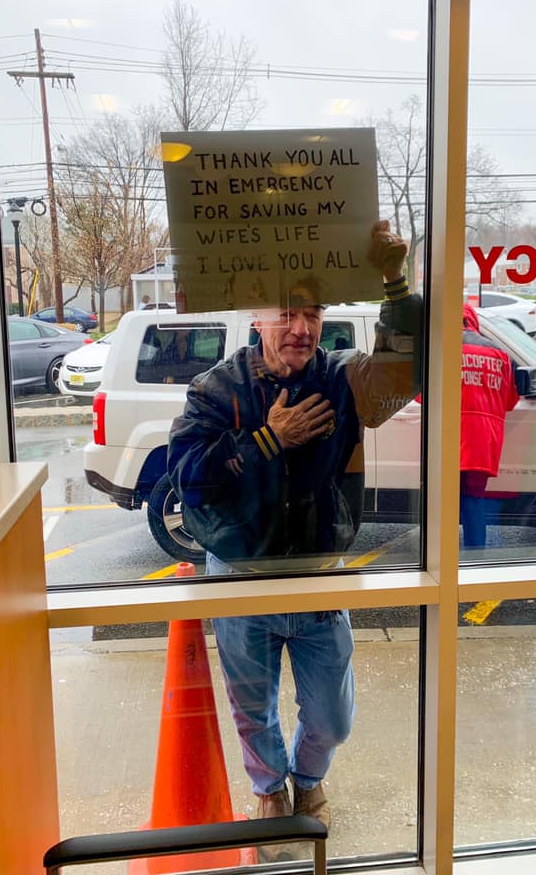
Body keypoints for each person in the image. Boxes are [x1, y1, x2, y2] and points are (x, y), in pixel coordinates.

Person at [167, 221, 421, 854]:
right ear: (256, 317)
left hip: (317, 575)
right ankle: (270, 788)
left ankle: (309, 777)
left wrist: (394, 282)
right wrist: (264, 442)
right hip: (241, 578)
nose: (301, 327)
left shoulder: (341, 378)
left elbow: (406, 370)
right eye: (286, 312)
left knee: (331, 718)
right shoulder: (217, 389)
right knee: (252, 706)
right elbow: (186, 481)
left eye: (312, 312)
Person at [460, 303, 519, 548]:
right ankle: (475, 556)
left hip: (446, 437)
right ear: (472, 321)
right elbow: (510, 401)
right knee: (473, 500)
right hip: (483, 441)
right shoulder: (499, 353)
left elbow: (420, 396)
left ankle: (437, 562)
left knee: (440, 503)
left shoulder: (438, 349)